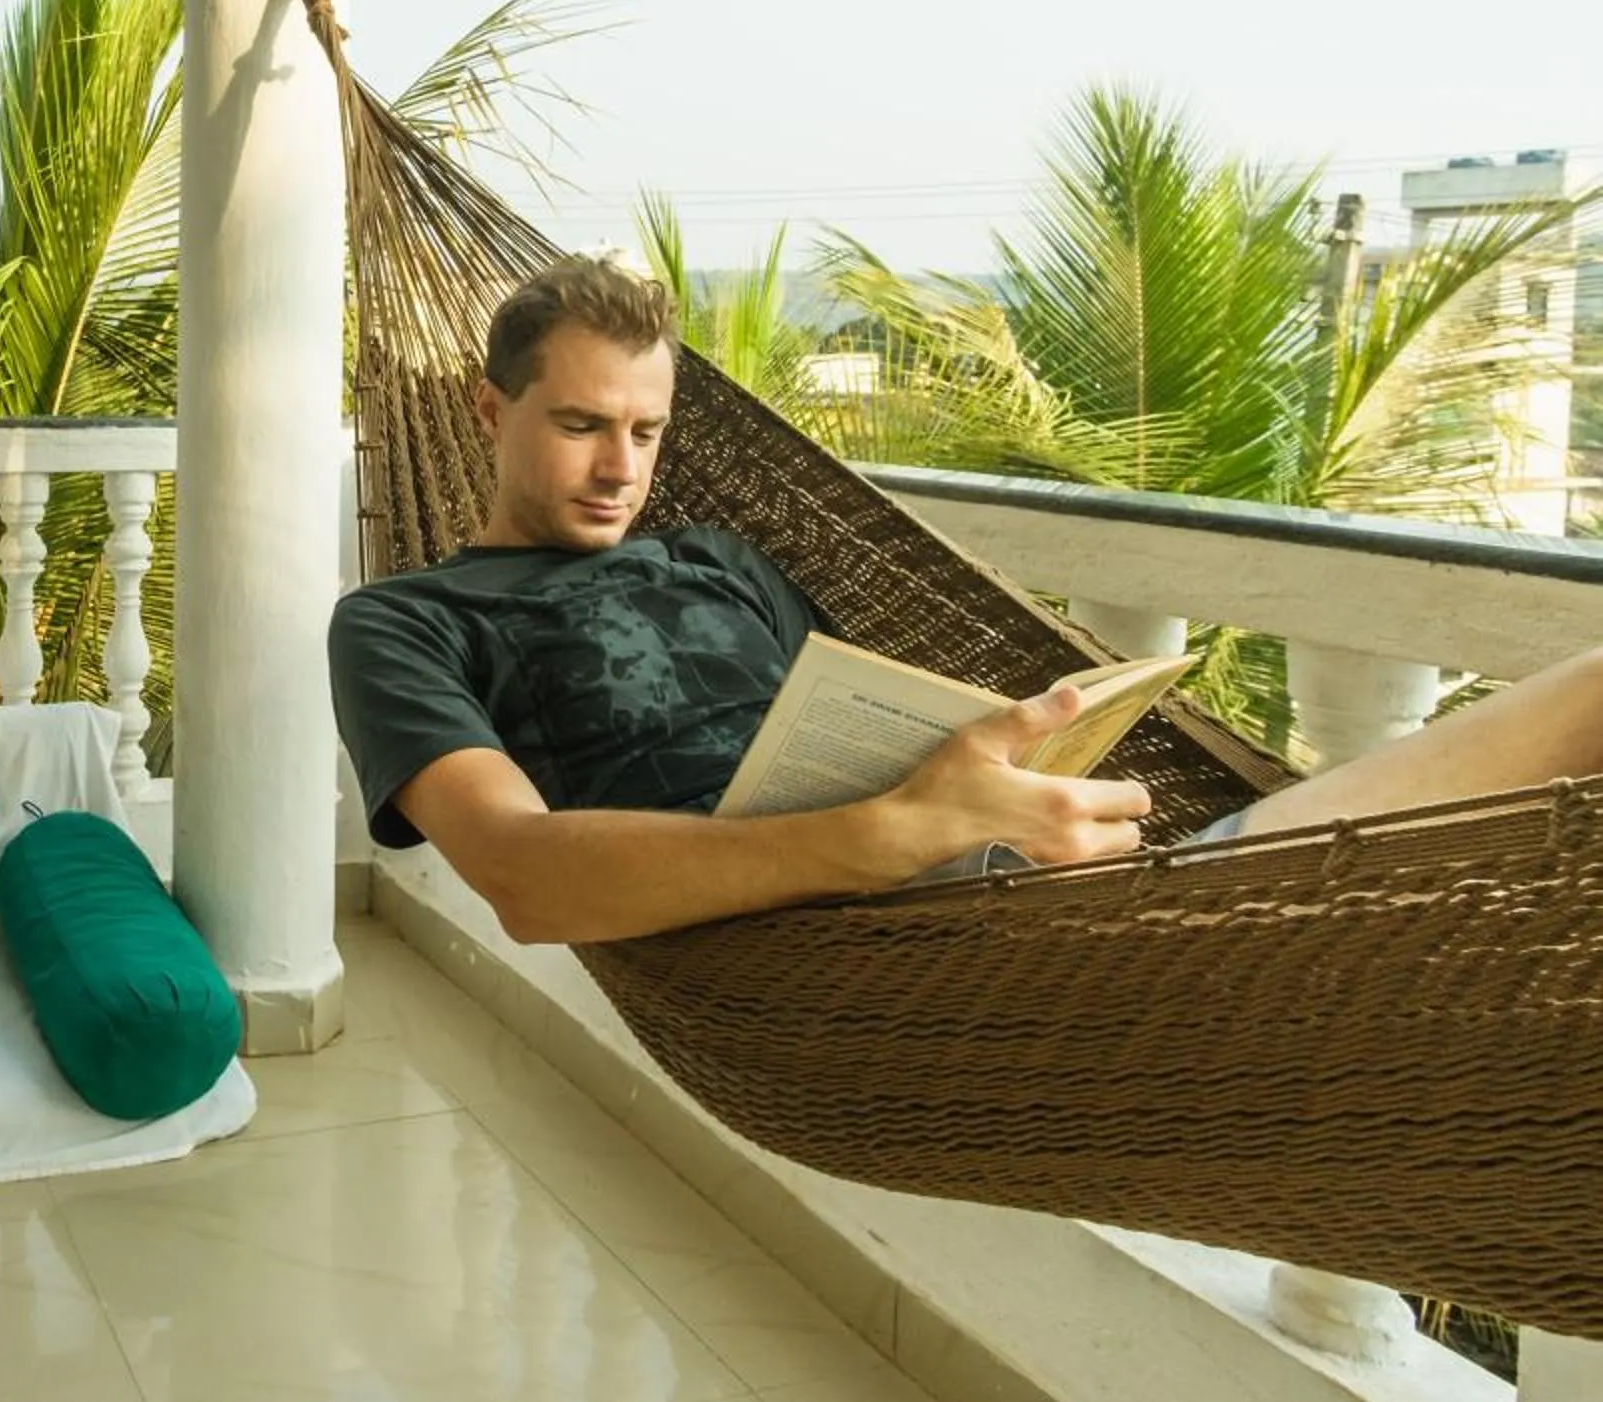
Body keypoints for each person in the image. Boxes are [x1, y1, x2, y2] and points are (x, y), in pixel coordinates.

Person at [325, 252, 1603, 944]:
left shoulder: (716, 557)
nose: (622, 468)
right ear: (488, 412)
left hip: (1075, 889)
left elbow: (854, 721)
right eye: (581, 424)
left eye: (648, 431)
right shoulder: (407, 621)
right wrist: (897, 835)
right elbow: (527, 881)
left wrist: (996, 768)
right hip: (895, 960)